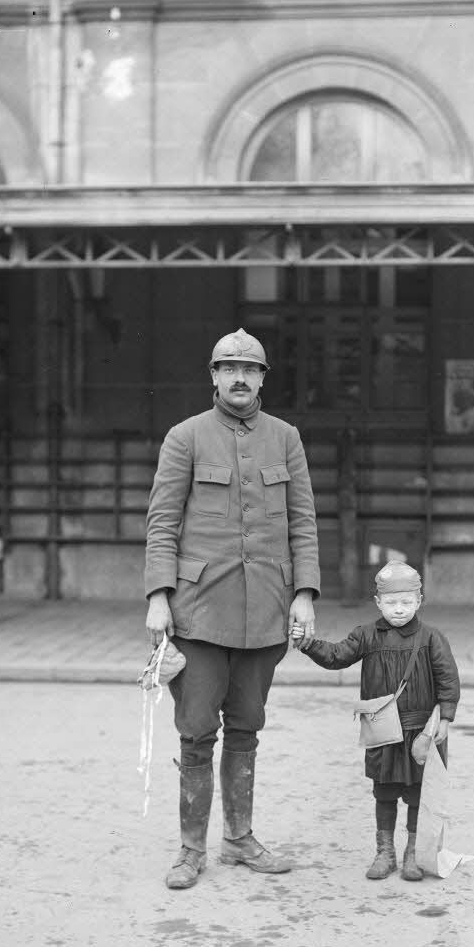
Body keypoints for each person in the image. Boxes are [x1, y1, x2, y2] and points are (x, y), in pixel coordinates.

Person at [144, 328, 320, 890]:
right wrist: (157, 598)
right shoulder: (185, 437)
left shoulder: (286, 438)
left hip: (266, 609)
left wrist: (305, 594)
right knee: (197, 731)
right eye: (229, 368)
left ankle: (239, 840)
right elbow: (162, 522)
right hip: (197, 611)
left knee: (247, 726)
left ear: (264, 378)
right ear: (213, 376)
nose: (239, 377)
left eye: (250, 369)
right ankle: (191, 849)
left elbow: (303, 523)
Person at [293, 561, 459, 881]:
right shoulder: (366, 635)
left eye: (407, 602)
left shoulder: (431, 638)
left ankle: (413, 852)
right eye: (392, 603)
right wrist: (308, 643)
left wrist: (446, 718)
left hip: (419, 733)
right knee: (383, 792)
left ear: (419, 601)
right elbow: (337, 656)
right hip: (382, 732)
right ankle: (385, 852)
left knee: (415, 793)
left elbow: (448, 680)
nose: (399, 610)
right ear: (378, 602)